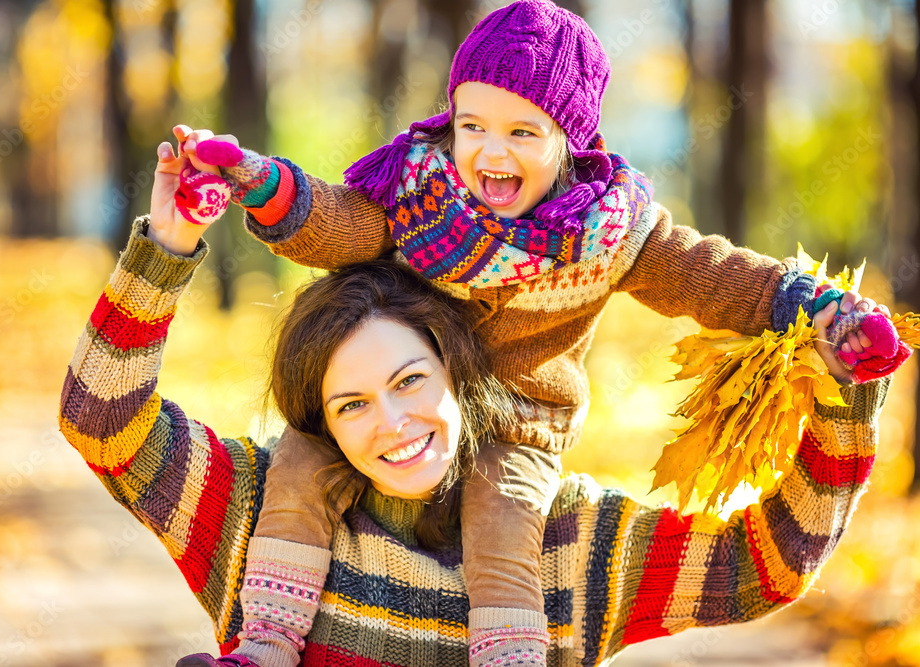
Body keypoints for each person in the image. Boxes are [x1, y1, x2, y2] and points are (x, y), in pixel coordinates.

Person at [166, 1, 910, 663]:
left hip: (520, 426)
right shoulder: (421, 192)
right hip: (403, 395)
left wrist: (825, 313)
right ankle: (263, 642)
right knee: (301, 461)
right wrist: (260, 182)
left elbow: (715, 277)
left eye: (523, 130)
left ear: (570, 139)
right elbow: (339, 222)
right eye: (472, 126)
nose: (491, 152)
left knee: (504, 522)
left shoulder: (610, 231)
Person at [58, 135, 896, 667]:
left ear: (458, 369)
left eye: (409, 381)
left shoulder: (566, 547)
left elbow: (766, 565)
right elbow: (102, 419)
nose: (389, 422)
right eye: (349, 405)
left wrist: (844, 395)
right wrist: (166, 245)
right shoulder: (257, 508)